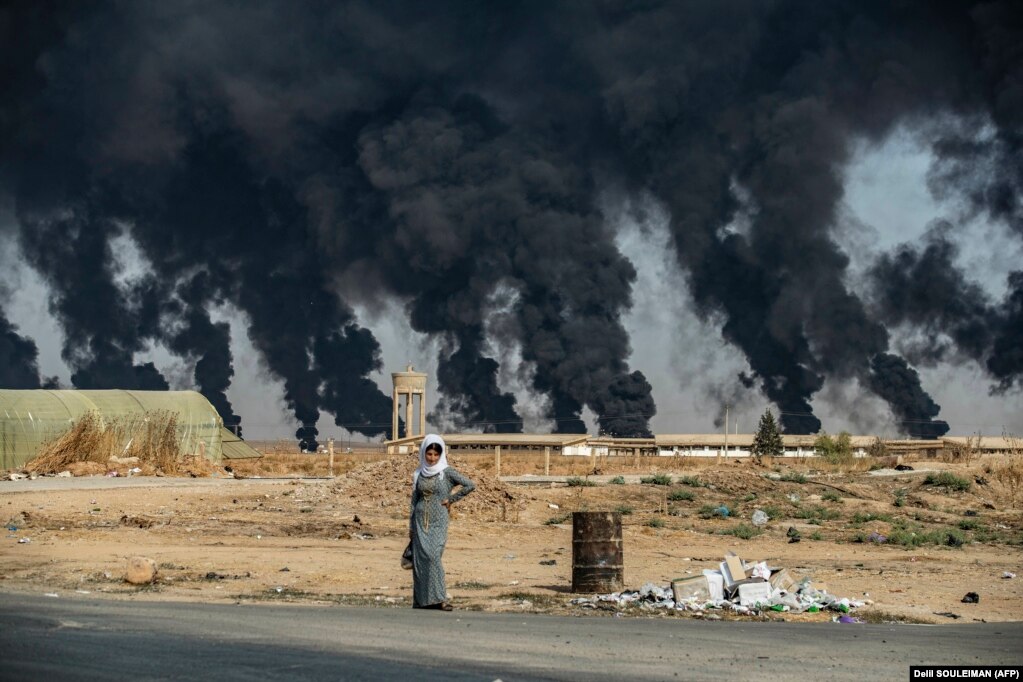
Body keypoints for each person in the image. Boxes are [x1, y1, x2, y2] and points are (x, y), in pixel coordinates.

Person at [409, 434, 475, 611]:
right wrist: (410, 526)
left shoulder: (447, 472)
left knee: (433, 556)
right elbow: (414, 501)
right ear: (423, 453)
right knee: (420, 560)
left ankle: (440, 599)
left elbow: (470, 485)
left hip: (439, 521)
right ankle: (422, 601)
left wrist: (452, 499)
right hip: (420, 522)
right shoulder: (418, 473)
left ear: (441, 455)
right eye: (429, 454)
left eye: (435, 455)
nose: (432, 458)